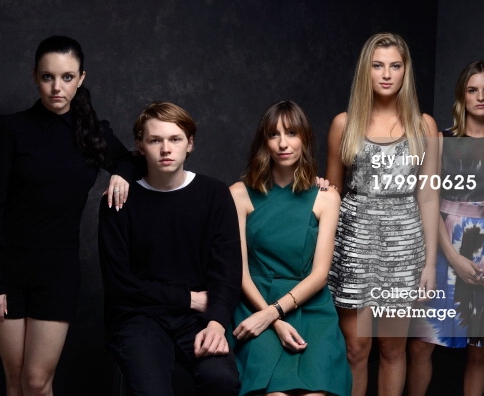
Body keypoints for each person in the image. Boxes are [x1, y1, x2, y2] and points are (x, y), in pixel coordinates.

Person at [0, 35, 134, 396]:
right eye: (48, 77)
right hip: (8, 269)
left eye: (66, 77)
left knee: (37, 380)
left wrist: (120, 172)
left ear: (81, 78)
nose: (56, 87)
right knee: (15, 378)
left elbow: (128, 160)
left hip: (58, 270)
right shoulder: (9, 129)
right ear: (35, 77)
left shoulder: (93, 132)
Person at [99, 101, 242, 396]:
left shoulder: (214, 194)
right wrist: (187, 298)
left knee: (222, 380)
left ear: (189, 144)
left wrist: (216, 323)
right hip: (138, 318)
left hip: (198, 319)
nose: (166, 149)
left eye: (175, 139)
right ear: (140, 146)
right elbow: (119, 284)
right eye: (155, 140)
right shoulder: (118, 201)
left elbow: (226, 270)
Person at [325, 32, 439, 396]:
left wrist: (430, 263)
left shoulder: (424, 126)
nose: (386, 74)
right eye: (377, 65)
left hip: (404, 250)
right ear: (366, 71)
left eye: (395, 65)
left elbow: (429, 197)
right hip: (355, 245)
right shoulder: (345, 123)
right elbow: (333, 192)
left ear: (406, 71)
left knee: (393, 349)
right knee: (357, 349)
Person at [407, 61, 484, 396]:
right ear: (462, 96)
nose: (480, 97)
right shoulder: (442, 140)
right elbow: (427, 197)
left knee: (480, 347)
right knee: (421, 343)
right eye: (473, 90)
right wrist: (452, 256)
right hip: (443, 242)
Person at [229, 100, 352, 396]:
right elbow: (240, 273)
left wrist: (275, 313)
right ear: (264, 142)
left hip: (311, 307)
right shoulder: (239, 194)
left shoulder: (326, 197)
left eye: (292, 133)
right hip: (256, 302)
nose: (283, 143)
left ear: (305, 139)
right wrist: (269, 317)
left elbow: (321, 274)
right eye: (274, 135)